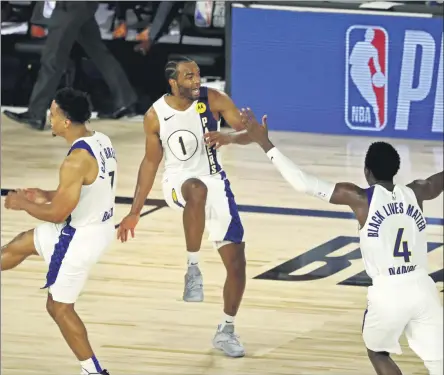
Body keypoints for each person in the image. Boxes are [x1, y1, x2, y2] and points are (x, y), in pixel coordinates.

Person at [239, 108, 443, 375]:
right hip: (423, 288)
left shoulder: (359, 198)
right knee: (439, 363)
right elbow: (438, 180)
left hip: (388, 291)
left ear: (367, 171)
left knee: (378, 351)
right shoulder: (418, 191)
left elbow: (304, 183)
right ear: (396, 169)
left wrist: (265, 143)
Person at [117, 57, 253, 358]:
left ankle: (226, 330)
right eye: (189, 76)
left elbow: (251, 133)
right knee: (196, 189)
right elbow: (150, 163)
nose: (196, 81)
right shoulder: (155, 115)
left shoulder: (213, 99)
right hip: (178, 182)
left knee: (237, 265)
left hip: (216, 180)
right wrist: (134, 211)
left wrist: (228, 137)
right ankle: (193, 269)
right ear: (173, 82)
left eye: (198, 75)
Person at [2, 88, 116, 375]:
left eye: (52, 113)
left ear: (65, 121)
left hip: (79, 237)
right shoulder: (101, 140)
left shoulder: (75, 160)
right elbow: (86, 190)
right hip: (95, 226)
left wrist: (23, 203)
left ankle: (93, 371)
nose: (48, 118)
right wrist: (46, 193)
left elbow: (58, 213)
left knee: (59, 308)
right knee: (22, 244)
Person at [3, 1, 137, 130]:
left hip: (69, 6)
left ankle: (35, 114)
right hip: (83, 6)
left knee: (52, 60)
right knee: (99, 53)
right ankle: (126, 101)